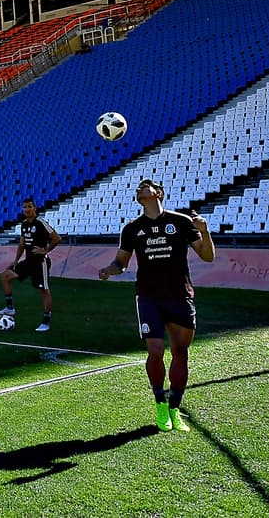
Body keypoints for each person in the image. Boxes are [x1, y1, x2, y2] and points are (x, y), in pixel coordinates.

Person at [98, 179, 215, 433]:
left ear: (158, 193)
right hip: (148, 296)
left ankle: (175, 408)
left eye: (146, 186)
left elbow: (207, 256)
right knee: (155, 349)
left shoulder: (182, 222)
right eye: (138, 187)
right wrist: (110, 269)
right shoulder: (132, 229)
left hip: (179, 295)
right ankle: (160, 403)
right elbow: (122, 262)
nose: (140, 188)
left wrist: (205, 231)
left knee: (180, 352)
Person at [0, 198, 61, 332]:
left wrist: (45, 250)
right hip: (28, 261)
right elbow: (21, 245)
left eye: (29, 206)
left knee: (44, 291)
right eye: (24, 207)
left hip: (40, 262)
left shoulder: (41, 223)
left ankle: (46, 322)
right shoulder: (24, 225)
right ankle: (10, 308)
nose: (27, 209)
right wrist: (15, 260)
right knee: (5, 276)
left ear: (35, 208)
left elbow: (57, 238)